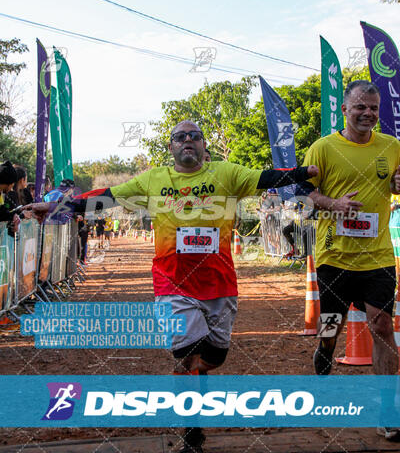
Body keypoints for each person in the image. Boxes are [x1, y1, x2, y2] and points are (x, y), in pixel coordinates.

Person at [27, 120, 318, 453]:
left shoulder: (226, 173)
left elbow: (268, 176)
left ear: (204, 145)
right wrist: (58, 207)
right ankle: (191, 428)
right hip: (172, 284)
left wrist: (305, 172)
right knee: (184, 354)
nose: (188, 141)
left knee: (213, 357)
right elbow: (107, 199)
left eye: (194, 136)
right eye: (180, 137)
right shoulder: (154, 180)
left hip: (219, 284)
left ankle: (192, 390)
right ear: (171, 147)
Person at [298, 80, 400, 441]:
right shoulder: (323, 148)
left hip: (378, 256)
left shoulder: (392, 146)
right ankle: (324, 351)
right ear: (345, 109)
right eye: (360, 107)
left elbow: (397, 185)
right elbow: (304, 195)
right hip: (334, 256)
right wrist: (334, 204)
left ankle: (389, 411)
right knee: (330, 327)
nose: (368, 114)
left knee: (383, 326)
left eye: (373, 108)